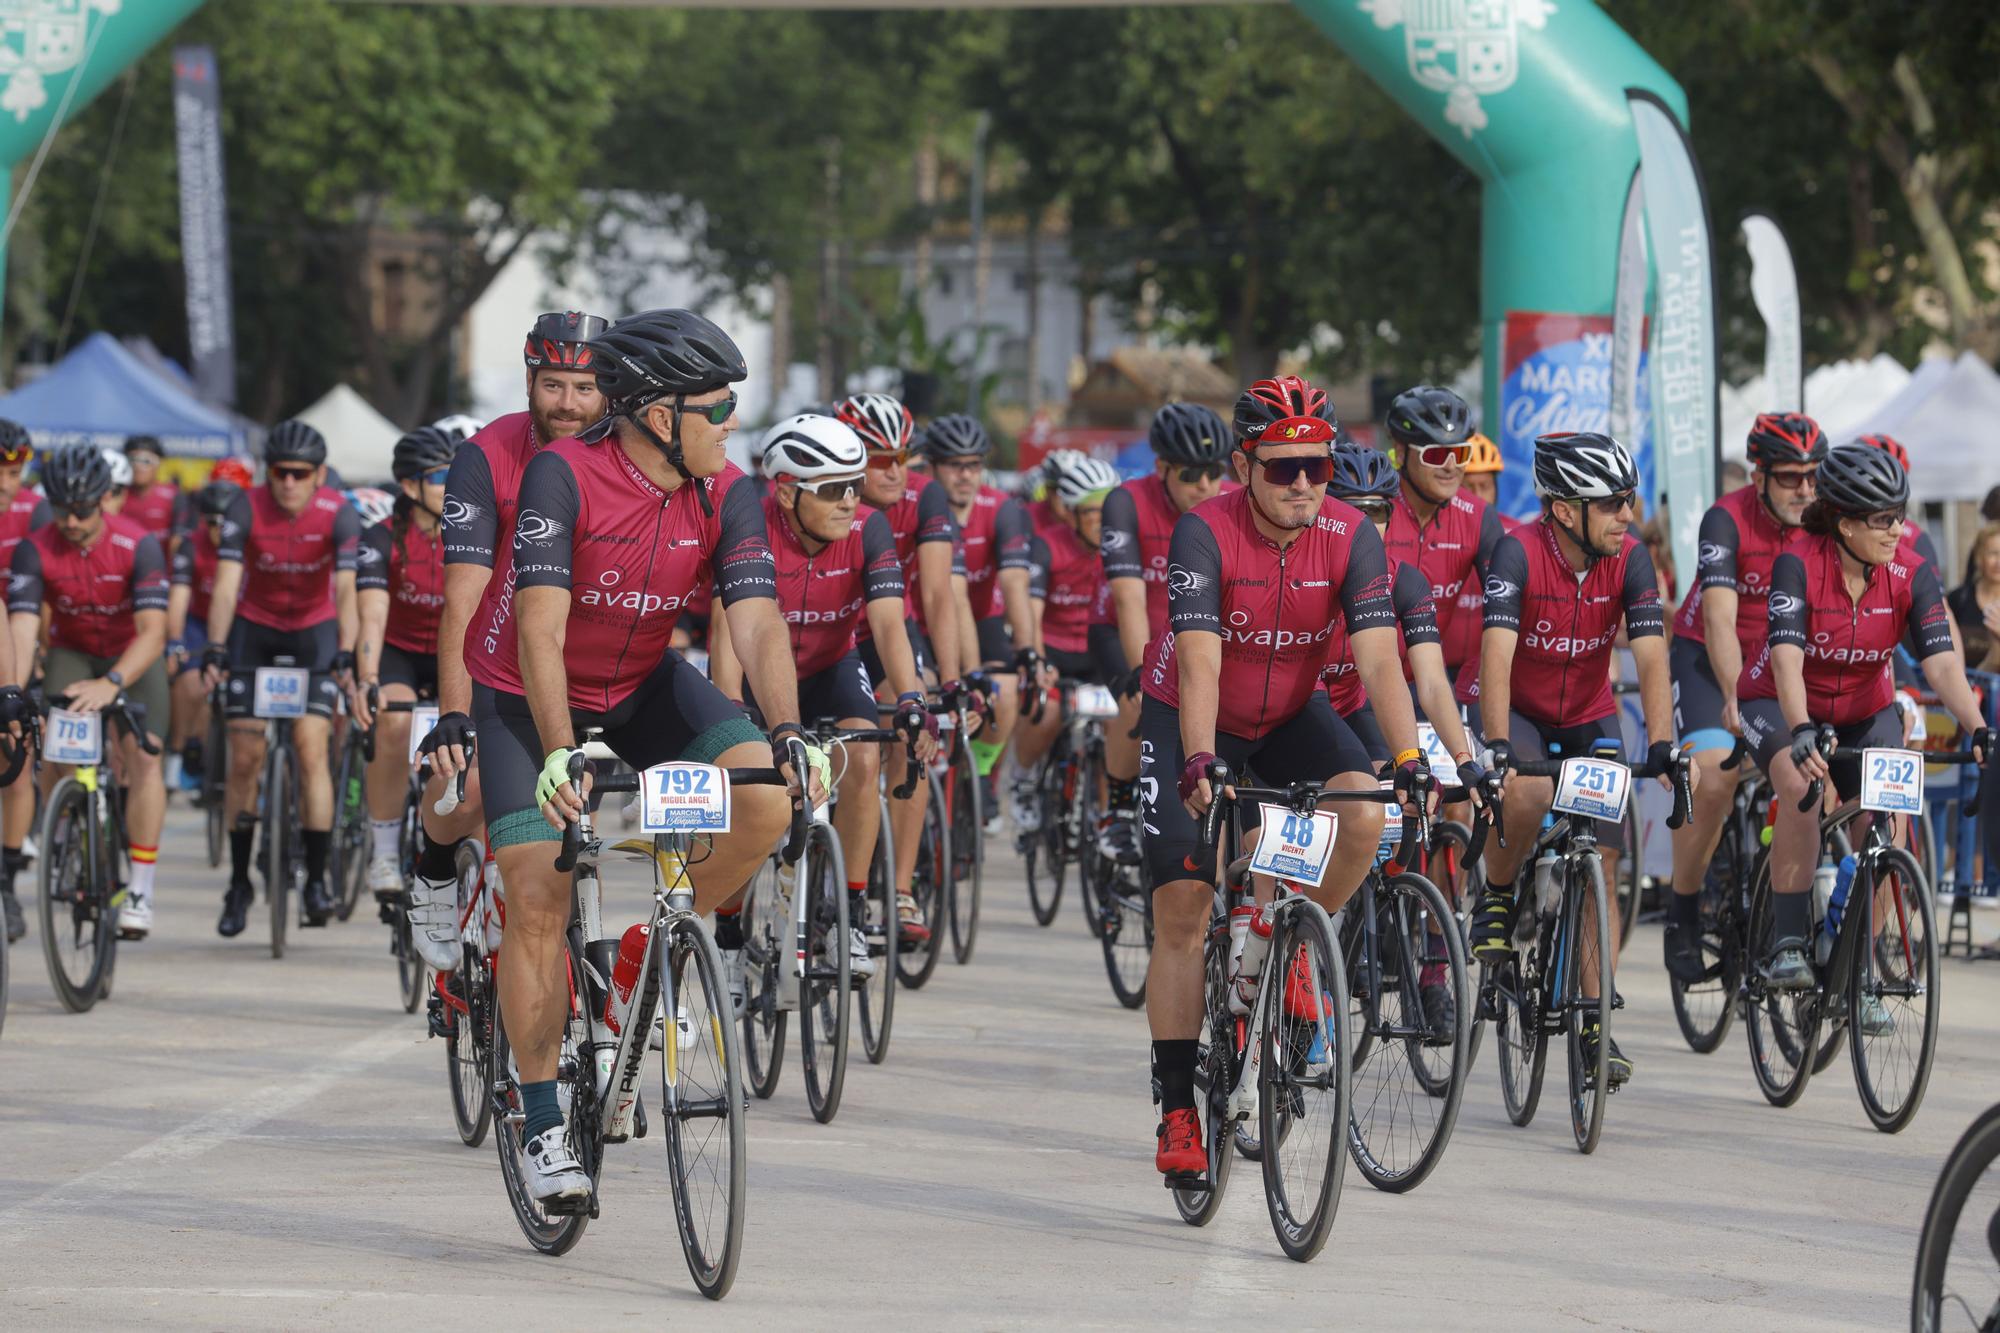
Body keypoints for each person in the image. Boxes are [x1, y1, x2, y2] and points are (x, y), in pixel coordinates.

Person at [464, 309, 809, 1207]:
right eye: (720, 403)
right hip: (522, 693)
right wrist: (555, 752)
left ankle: (633, 962)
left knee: (767, 802)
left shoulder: (725, 490)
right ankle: (541, 1124)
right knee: (537, 894)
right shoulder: (561, 475)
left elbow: (757, 617)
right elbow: (538, 627)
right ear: (660, 413)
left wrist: (786, 730)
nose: (735, 420)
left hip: (642, 682)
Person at [1142, 374, 1426, 1183]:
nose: (1304, 482)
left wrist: (1407, 760)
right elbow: (1199, 659)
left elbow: (1379, 660)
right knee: (1184, 909)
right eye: (1282, 467)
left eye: (1319, 465)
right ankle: (1174, 1106)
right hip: (1192, 715)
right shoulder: (1203, 532)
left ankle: (1295, 946)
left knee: (1365, 813)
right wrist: (1199, 758)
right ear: (1243, 465)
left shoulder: (1350, 535)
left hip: (1289, 711)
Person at [1736, 445, 1991, 1007]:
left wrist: (1977, 729)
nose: (1897, 528)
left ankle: (1861, 966)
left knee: (1890, 827)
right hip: (1777, 701)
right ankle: (1788, 943)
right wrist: (1800, 728)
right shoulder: (1797, 564)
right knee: (1802, 787)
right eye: (1882, 519)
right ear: (1846, 523)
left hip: (1864, 709)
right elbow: (1785, 659)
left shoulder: (1912, 574)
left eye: (1900, 514)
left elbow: (1943, 663)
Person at [1466, 431, 1681, 1088]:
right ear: (1565, 510)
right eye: (1613, 502)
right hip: (1519, 710)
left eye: (1630, 500)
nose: (1628, 514)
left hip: (1589, 711)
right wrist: (1499, 747)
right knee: (1527, 795)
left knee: (1606, 854)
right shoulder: (1517, 550)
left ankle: (1595, 1017)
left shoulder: (1632, 559)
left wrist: (1668, 745)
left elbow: (1649, 656)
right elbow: (1495, 655)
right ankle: (1498, 894)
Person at [709, 412, 939, 974]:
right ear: (786, 493)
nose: (848, 502)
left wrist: (911, 698)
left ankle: (850, 916)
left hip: (833, 667)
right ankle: (731, 933)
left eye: (855, 486)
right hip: (764, 679)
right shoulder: (748, 525)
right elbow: (726, 635)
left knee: (862, 755)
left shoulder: (869, 529)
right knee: (750, 787)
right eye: (833, 489)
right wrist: (732, 711)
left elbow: (889, 625)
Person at [423, 312, 611, 970]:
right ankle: (435, 863)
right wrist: (455, 713)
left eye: (585, 388)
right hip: (497, 650)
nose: (568, 403)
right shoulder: (485, 454)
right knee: (464, 782)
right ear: (530, 381)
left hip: (581, 655)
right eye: (554, 384)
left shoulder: (620, 457)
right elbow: (464, 598)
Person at [1319, 441, 1489, 1033]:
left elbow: (1432, 684)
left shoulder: (1404, 581)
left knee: (1420, 792)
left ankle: (1417, 956)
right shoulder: (1307, 571)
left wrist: (1465, 760)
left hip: (1358, 707)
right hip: (1294, 709)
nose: (1366, 526)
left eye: (1379, 512)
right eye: (1351, 510)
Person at [1660, 412, 1824, 980]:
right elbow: (1719, 619)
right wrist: (1734, 696)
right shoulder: (1725, 520)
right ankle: (1682, 911)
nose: (1805, 489)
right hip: (1709, 658)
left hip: (1784, 663)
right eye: (1789, 477)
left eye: (1812, 475)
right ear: (1758, 478)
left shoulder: (1824, 522)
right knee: (1712, 775)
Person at [202, 420, 360, 935]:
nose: (288, 483)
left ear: (319, 476)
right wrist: (217, 646)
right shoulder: (244, 507)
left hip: (314, 632)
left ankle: (315, 878)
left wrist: (345, 652)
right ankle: (240, 882)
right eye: (279, 473)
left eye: (300, 474)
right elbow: (226, 586)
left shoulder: (339, 513)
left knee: (312, 749)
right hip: (256, 630)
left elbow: (346, 591)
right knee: (245, 757)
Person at [8, 445, 171, 937]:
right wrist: (13, 690)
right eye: (60, 509)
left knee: (144, 758)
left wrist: (113, 683)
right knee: (52, 746)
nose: (72, 520)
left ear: (104, 499)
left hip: (131, 658)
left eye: (81, 509)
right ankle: (66, 821)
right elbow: (21, 624)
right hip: (72, 651)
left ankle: (140, 886)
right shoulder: (34, 547)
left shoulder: (137, 543)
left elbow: (153, 631)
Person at [838, 391, 963, 942]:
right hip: (829, 631)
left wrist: (951, 681)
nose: (897, 471)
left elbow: (937, 594)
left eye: (904, 456)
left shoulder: (925, 496)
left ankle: (903, 888)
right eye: (881, 458)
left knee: (909, 737)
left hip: (887, 629)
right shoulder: (819, 489)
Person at [1101, 403, 1232, 859]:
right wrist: (1140, 667)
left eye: (1214, 472)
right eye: (1191, 473)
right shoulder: (1126, 501)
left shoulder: (1230, 502)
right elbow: (1128, 597)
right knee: (1135, 701)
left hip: (1196, 638)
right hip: (1127, 629)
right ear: (1161, 468)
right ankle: (1116, 809)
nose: (1205, 485)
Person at [350, 425, 459, 916]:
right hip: (399, 651)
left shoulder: (470, 530)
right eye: (440, 476)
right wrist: (367, 680)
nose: (451, 484)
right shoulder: (380, 537)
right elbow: (371, 614)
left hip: (452, 653)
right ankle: (386, 851)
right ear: (410, 486)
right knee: (392, 724)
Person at [924, 415, 1037, 821]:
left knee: (1004, 691)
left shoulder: (1001, 507)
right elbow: (950, 597)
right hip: (923, 617)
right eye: (955, 465)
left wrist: (1029, 650)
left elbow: (1014, 583)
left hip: (982, 617)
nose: (966, 475)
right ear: (933, 466)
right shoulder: (924, 504)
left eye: (973, 464)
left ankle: (982, 774)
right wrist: (967, 671)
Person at [1379, 386, 1505, 713]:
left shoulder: (1479, 517)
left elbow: (1509, 612)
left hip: (1428, 683)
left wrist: (1477, 681)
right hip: (1360, 684)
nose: (1451, 467)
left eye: (1460, 454)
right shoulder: (1373, 511)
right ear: (1401, 452)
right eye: (1435, 455)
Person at [0, 419, 49, 943]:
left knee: (17, 758)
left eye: (15, 471)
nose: (5, 483)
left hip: (26, 631)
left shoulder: (36, 512)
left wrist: (20, 675)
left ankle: (8, 881)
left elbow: (39, 598)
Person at [165, 476, 243, 792]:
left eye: (226, 523)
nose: (218, 530)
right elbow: (179, 599)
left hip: (241, 621)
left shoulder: (249, 541)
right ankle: (182, 750)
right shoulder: (190, 544)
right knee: (190, 683)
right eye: (211, 522)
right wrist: (174, 641)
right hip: (199, 621)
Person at [122, 435, 192, 551]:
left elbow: (177, 540)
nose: (138, 467)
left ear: (158, 463)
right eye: (132, 460)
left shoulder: (174, 495)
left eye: (146, 461)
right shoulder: (117, 495)